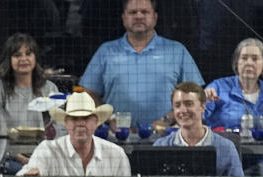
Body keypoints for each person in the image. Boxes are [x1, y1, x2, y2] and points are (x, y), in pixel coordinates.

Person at [78, 0, 203, 129]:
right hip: (116, 137)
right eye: (132, 12)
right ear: (124, 18)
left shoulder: (176, 51)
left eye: (144, 12)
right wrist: (109, 118)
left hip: (167, 136)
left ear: (155, 17)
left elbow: (195, 94)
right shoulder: (106, 51)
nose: (139, 16)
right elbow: (88, 93)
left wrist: (167, 120)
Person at [18, 91, 131, 177]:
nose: (80, 123)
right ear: (66, 123)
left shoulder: (116, 154)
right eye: (74, 119)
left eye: (86, 118)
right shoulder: (47, 150)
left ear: (96, 122)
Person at [154, 81, 243, 176]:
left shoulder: (226, 148)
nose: (183, 110)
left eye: (189, 104)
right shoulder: (161, 146)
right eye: (177, 105)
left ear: (203, 106)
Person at [0, 32, 60, 131]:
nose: (23, 59)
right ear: (8, 60)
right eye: (17, 55)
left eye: (28, 54)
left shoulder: (50, 89)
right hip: (7, 146)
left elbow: (59, 128)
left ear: (35, 57)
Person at [203, 38, 263, 130]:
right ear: (236, 62)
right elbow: (196, 116)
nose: (249, 63)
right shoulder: (218, 88)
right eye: (244, 58)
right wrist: (201, 100)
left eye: (255, 58)